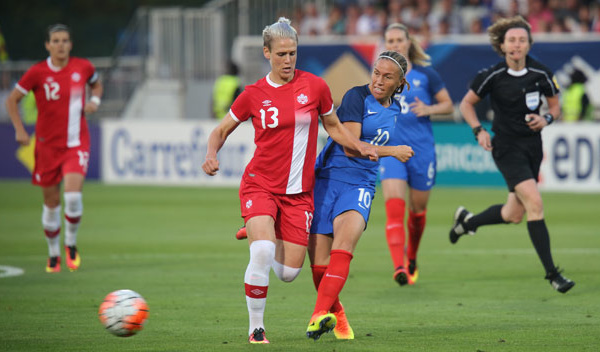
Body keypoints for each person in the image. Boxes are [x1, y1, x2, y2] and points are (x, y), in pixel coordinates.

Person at [201, 17, 378, 344]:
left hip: (299, 194)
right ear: (267, 53)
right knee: (264, 251)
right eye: (281, 54)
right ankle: (257, 329)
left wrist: (359, 146)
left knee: (288, 273)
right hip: (261, 185)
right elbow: (221, 130)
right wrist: (212, 154)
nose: (288, 60)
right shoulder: (253, 94)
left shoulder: (315, 87)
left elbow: (335, 127)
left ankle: (258, 226)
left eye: (293, 53)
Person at [449, 16, 575, 293]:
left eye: (522, 40)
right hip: (505, 148)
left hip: (533, 147)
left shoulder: (541, 74)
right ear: (502, 45)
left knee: (513, 213)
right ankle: (553, 275)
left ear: (529, 44)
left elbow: (555, 107)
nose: (517, 44)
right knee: (535, 204)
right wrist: (478, 130)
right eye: (511, 40)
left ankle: (466, 222)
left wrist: (547, 120)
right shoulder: (492, 75)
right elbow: (467, 104)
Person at [306, 50, 414, 341]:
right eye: (376, 73)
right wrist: (393, 151)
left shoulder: (395, 110)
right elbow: (352, 146)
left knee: (345, 246)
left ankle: (317, 316)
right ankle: (337, 315)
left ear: (399, 82)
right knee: (319, 266)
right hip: (329, 179)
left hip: (361, 185)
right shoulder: (356, 97)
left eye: (387, 76)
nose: (378, 80)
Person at [5, 24, 103, 273]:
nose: (61, 45)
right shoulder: (37, 72)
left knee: (72, 196)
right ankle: (53, 253)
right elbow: (12, 100)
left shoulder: (83, 67)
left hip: (76, 143)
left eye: (65, 40)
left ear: (71, 44)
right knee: (51, 204)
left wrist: (94, 101)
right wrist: (19, 129)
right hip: (47, 147)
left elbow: (97, 84)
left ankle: (70, 244)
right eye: (56, 41)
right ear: (48, 45)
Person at [379, 23, 453, 286]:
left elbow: (449, 105)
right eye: (391, 40)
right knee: (394, 208)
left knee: (418, 211)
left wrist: (429, 109)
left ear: (409, 42)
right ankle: (399, 265)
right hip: (392, 152)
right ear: (385, 43)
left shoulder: (426, 74)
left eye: (400, 39)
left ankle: (412, 256)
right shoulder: (379, 78)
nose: (396, 44)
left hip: (421, 151)